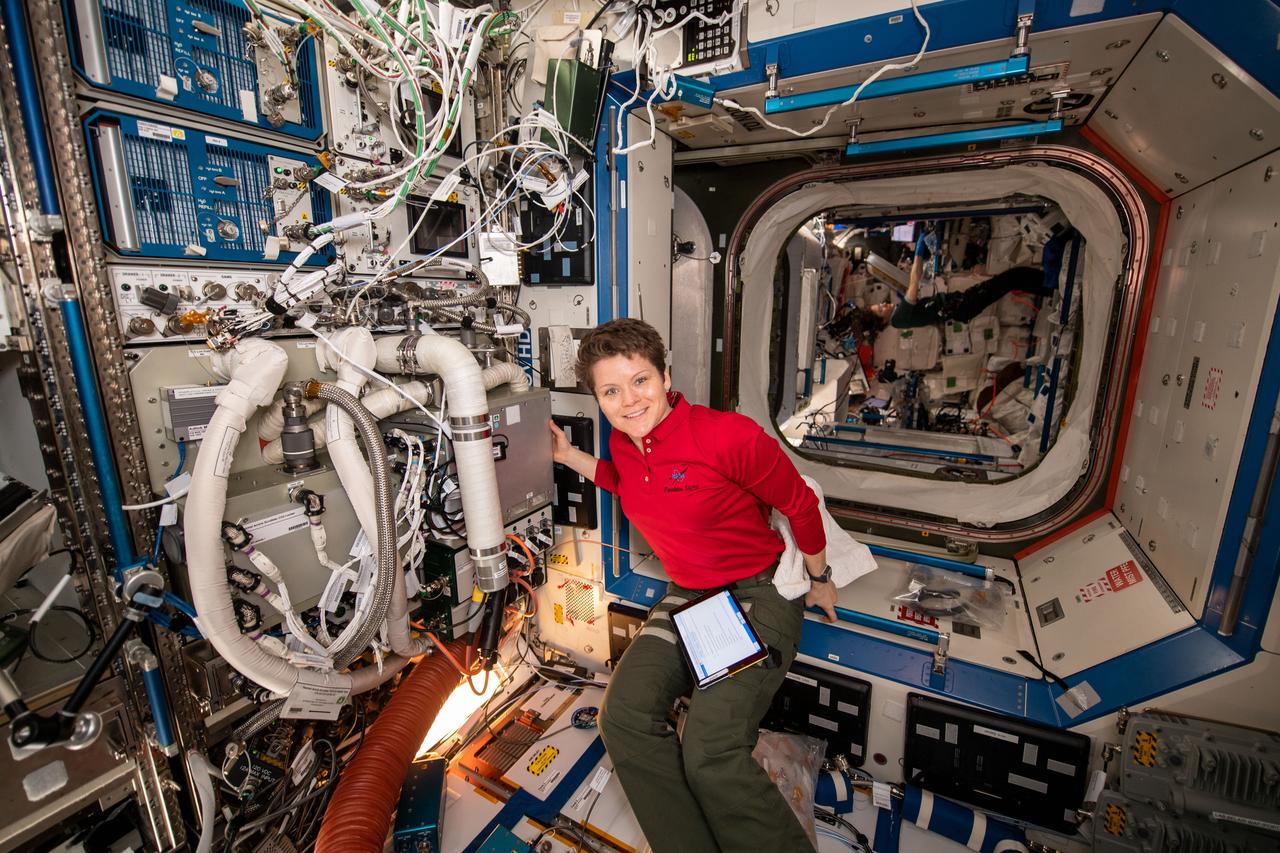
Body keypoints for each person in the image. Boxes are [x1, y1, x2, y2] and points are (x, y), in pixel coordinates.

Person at [548, 318, 836, 853]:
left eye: (640, 381)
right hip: (689, 594)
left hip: (756, 592)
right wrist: (569, 457)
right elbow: (621, 479)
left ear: (665, 374)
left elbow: (799, 504)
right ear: (598, 397)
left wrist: (820, 579)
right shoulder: (625, 441)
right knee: (624, 718)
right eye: (611, 390)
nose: (629, 400)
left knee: (710, 752)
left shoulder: (729, 435)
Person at [887, 227, 1074, 329]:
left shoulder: (899, 316)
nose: (883, 305)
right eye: (879, 310)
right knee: (1013, 278)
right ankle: (1056, 286)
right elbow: (914, 283)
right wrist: (918, 253)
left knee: (1013, 278)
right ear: (880, 320)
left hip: (960, 305)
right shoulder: (898, 319)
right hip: (962, 306)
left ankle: (1055, 285)